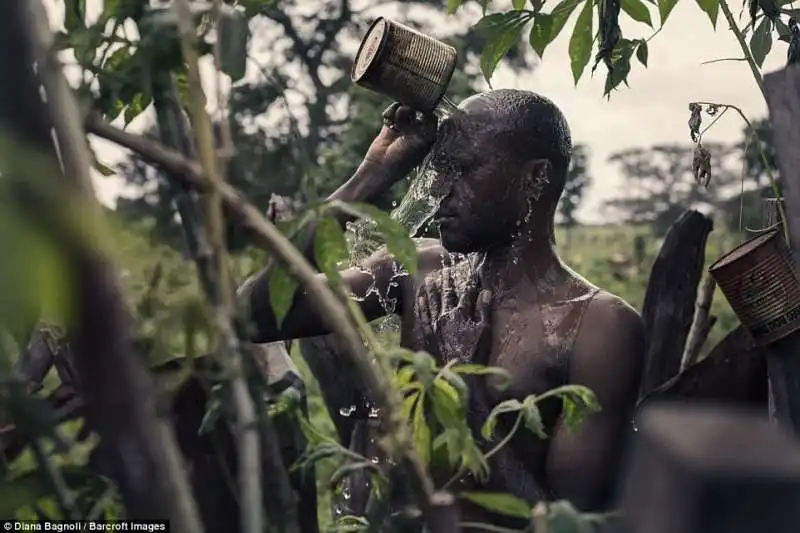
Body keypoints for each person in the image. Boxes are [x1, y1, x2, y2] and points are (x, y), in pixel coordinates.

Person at [238, 89, 645, 525]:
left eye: (464, 170)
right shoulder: (420, 269)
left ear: (535, 178)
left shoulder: (596, 326)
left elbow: (569, 523)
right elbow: (252, 316)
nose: (440, 189)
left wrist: (460, 387)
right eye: (440, 168)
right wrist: (372, 175)